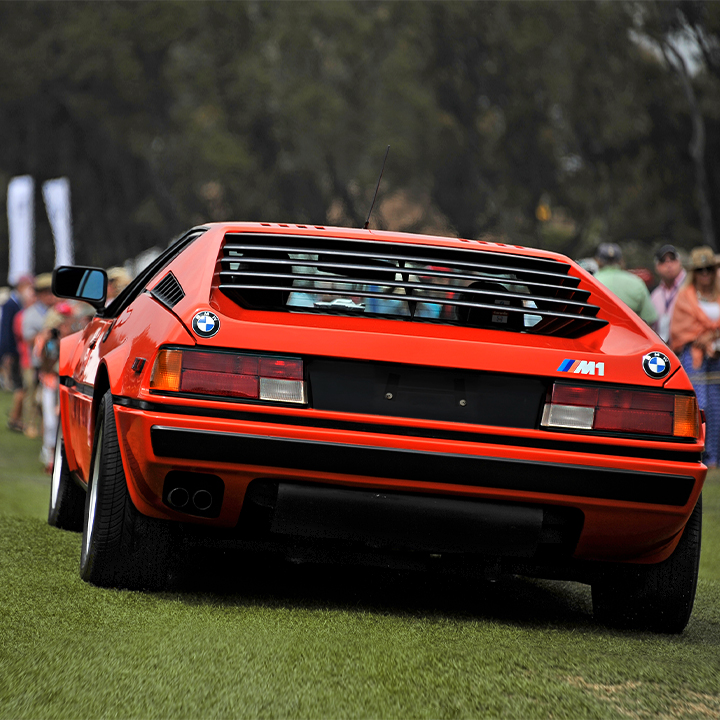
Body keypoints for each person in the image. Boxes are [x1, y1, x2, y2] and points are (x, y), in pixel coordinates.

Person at [669, 246, 720, 467]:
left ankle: (715, 457)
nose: (705, 274)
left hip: (717, 355)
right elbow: (679, 330)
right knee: (700, 404)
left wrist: (712, 336)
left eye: (709, 268)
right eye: (700, 270)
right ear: (694, 272)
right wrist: (703, 338)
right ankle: (695, 453)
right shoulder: (685, 296)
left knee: (718, 406)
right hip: (694, 355)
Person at [21, 273, 56, 438]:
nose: (51, 296)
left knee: (46, 396)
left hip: (51, 361)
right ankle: (29, 424)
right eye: (47, 292)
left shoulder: (57, 311)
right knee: (31, 392)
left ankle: (44, 426)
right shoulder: (31, 313)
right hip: (34, 361)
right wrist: (45, 335)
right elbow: (27, 338)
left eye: (52, 292)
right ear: (40, 294)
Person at [0, 275, 34, 430]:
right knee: (19, 386)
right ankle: (15, 418)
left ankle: (16, 417)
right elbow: (6, 330)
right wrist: (7, 352)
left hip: (15, 350)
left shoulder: (16, 303)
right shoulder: (10, 304)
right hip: (13, 350)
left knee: (20, 386)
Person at [594, 242, 657, 325]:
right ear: (621, 261)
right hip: (631, 335)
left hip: (600, 336)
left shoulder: (592, 282)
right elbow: (650, 318)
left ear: (598, 261)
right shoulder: (637, 282)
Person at [651, 244, 686, 343]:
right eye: (663, 261)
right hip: (664, 347)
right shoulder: (655, 295)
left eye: (672, 259)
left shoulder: (690, 285)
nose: (668, 264)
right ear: (657, 267)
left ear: (679, 262)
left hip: (687, 346)